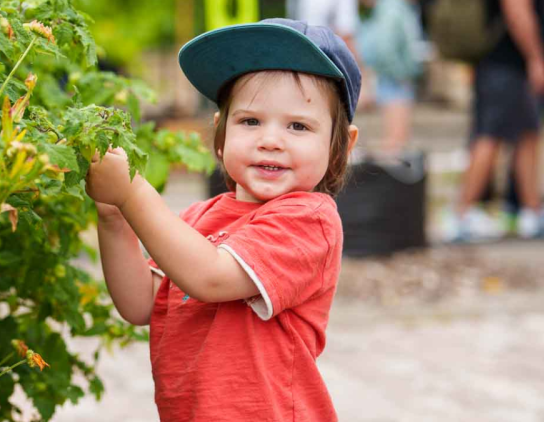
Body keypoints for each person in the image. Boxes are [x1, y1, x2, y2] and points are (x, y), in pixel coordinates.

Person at [86, 19, 360, 421]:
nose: (270, 139)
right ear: (220, 131)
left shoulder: (309, 221)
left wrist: (132, 190)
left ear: (341, 145)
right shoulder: (199, 218)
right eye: (250, 121)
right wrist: (114, 216)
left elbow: (210, 277)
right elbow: (140, 304)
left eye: (298, 126)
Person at [441, 0, 544, 242]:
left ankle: (532, 212)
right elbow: (517, 10)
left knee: (527, 134)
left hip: (503, 63)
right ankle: (461, 214)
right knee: (490, 135)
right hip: (507, 63)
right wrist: (537, 59)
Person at [359, 0, 424, 157]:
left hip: (395, 78)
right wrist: (401, 73)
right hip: (395, 80)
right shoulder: (392, 8)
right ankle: (392, 178)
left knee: (396, 141)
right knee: (395, 143)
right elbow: (385, 48)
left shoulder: (393, 8)